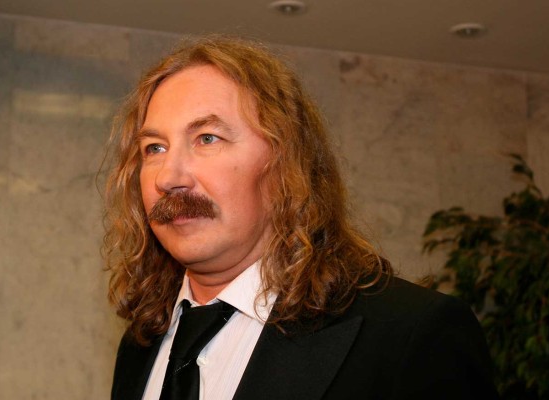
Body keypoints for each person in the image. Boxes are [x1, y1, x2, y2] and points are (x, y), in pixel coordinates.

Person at [103, 36, 498, 400]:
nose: (169, 177)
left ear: (286, 163)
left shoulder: (413, 334)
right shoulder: (141, 345)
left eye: (207, 138)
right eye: (154, 148)